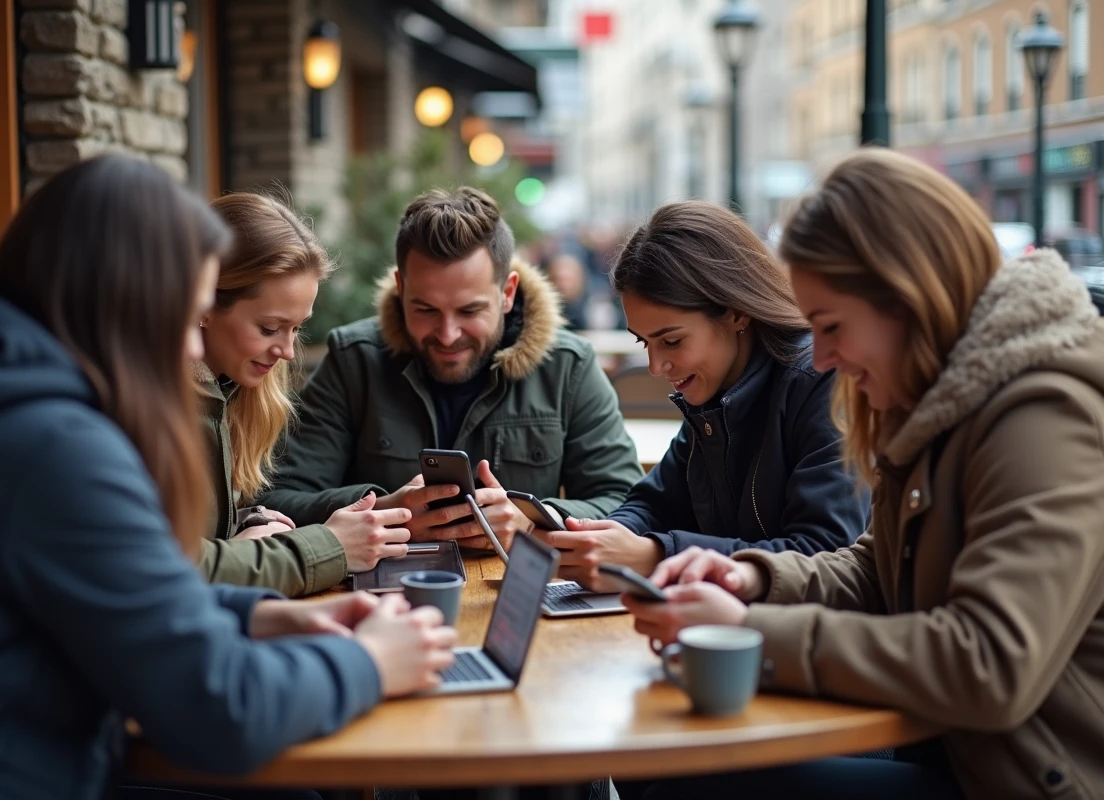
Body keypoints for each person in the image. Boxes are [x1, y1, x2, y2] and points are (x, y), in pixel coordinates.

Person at [0, 155, 455, 800]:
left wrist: (260, 618)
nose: (195, 348)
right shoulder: (55, 451)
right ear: (126, 302)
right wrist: (368, 662)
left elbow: (131, 594)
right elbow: (223, 710)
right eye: (185, 316)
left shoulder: (26, 420)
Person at [623, 148, 1104, 799]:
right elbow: (878, 570)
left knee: (686, 780)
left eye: (830, 326)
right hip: (958, 750)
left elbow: (990, 665)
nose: (819, 354)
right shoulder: (946, 398)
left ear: (904, 299)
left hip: (1027, 777)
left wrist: (747, 630)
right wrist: (751, 579)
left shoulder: (1043, 412)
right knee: (667, 767)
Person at [261, 187, 643, 551]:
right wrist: (385, 512)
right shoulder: (354, 360)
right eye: (425, 309)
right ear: (400, 287)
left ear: (507, 293)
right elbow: (278, 499)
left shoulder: (567, 367)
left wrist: (532, 519)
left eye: (469, 310)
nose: (447, 335)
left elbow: (625, 504)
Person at [546, 202, 868, 591]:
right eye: (643, 342)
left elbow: (825, 553)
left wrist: (654, 556)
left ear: (736, 312)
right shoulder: (717, 392)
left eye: (671, 341)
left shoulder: (821, 382)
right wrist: (605, 535)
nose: (655, 365)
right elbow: (655, 502)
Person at [195, 192, 410, 595]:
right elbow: (170, 571)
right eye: (269, 327)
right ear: (204, 304)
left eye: (296, 328)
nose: (287, 351)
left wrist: (250, 522)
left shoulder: (233, 391)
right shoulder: (148, 407)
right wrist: (327, 547)